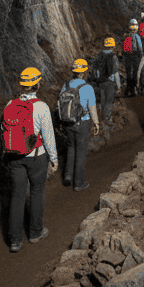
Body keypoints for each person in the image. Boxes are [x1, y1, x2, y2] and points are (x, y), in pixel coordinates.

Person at [5, 67, 57, 253]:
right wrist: (54, 158)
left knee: (17, 196)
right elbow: (49, 136)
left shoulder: (10, 104)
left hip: (14, 157)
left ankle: (14, 241)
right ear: (38, 84)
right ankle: (35, 232)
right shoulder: (41, 107)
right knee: (37, 192)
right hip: (36, 156)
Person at [60, 58, 99, 190]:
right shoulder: (87, 88)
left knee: (71, 148)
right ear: (84, 72)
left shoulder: (65, 85)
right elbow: (92, 107)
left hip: (68, 122)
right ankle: (79, 183)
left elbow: (58, 105)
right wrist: (96, 123)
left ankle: (68, 175)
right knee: (81, 152)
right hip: (83, 123)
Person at [90, 37, 121, 126]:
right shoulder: (113, 56)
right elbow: (115, 73)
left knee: (103, 100)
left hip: (100, 81)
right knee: (109, 101)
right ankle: (107, 119)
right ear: (113, 46)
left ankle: (103, 117)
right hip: (109, 82)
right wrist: (118, 86)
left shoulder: (99, 55)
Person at [123, 19, 144, 96]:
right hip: (135, 56)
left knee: (128, 73)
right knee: (135, 73)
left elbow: (123, 48)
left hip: (127, 56)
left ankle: (127, 89)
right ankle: (132, 90)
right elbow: (140, 48)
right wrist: (141, 57)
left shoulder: (126, 36)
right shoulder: (137, 37)